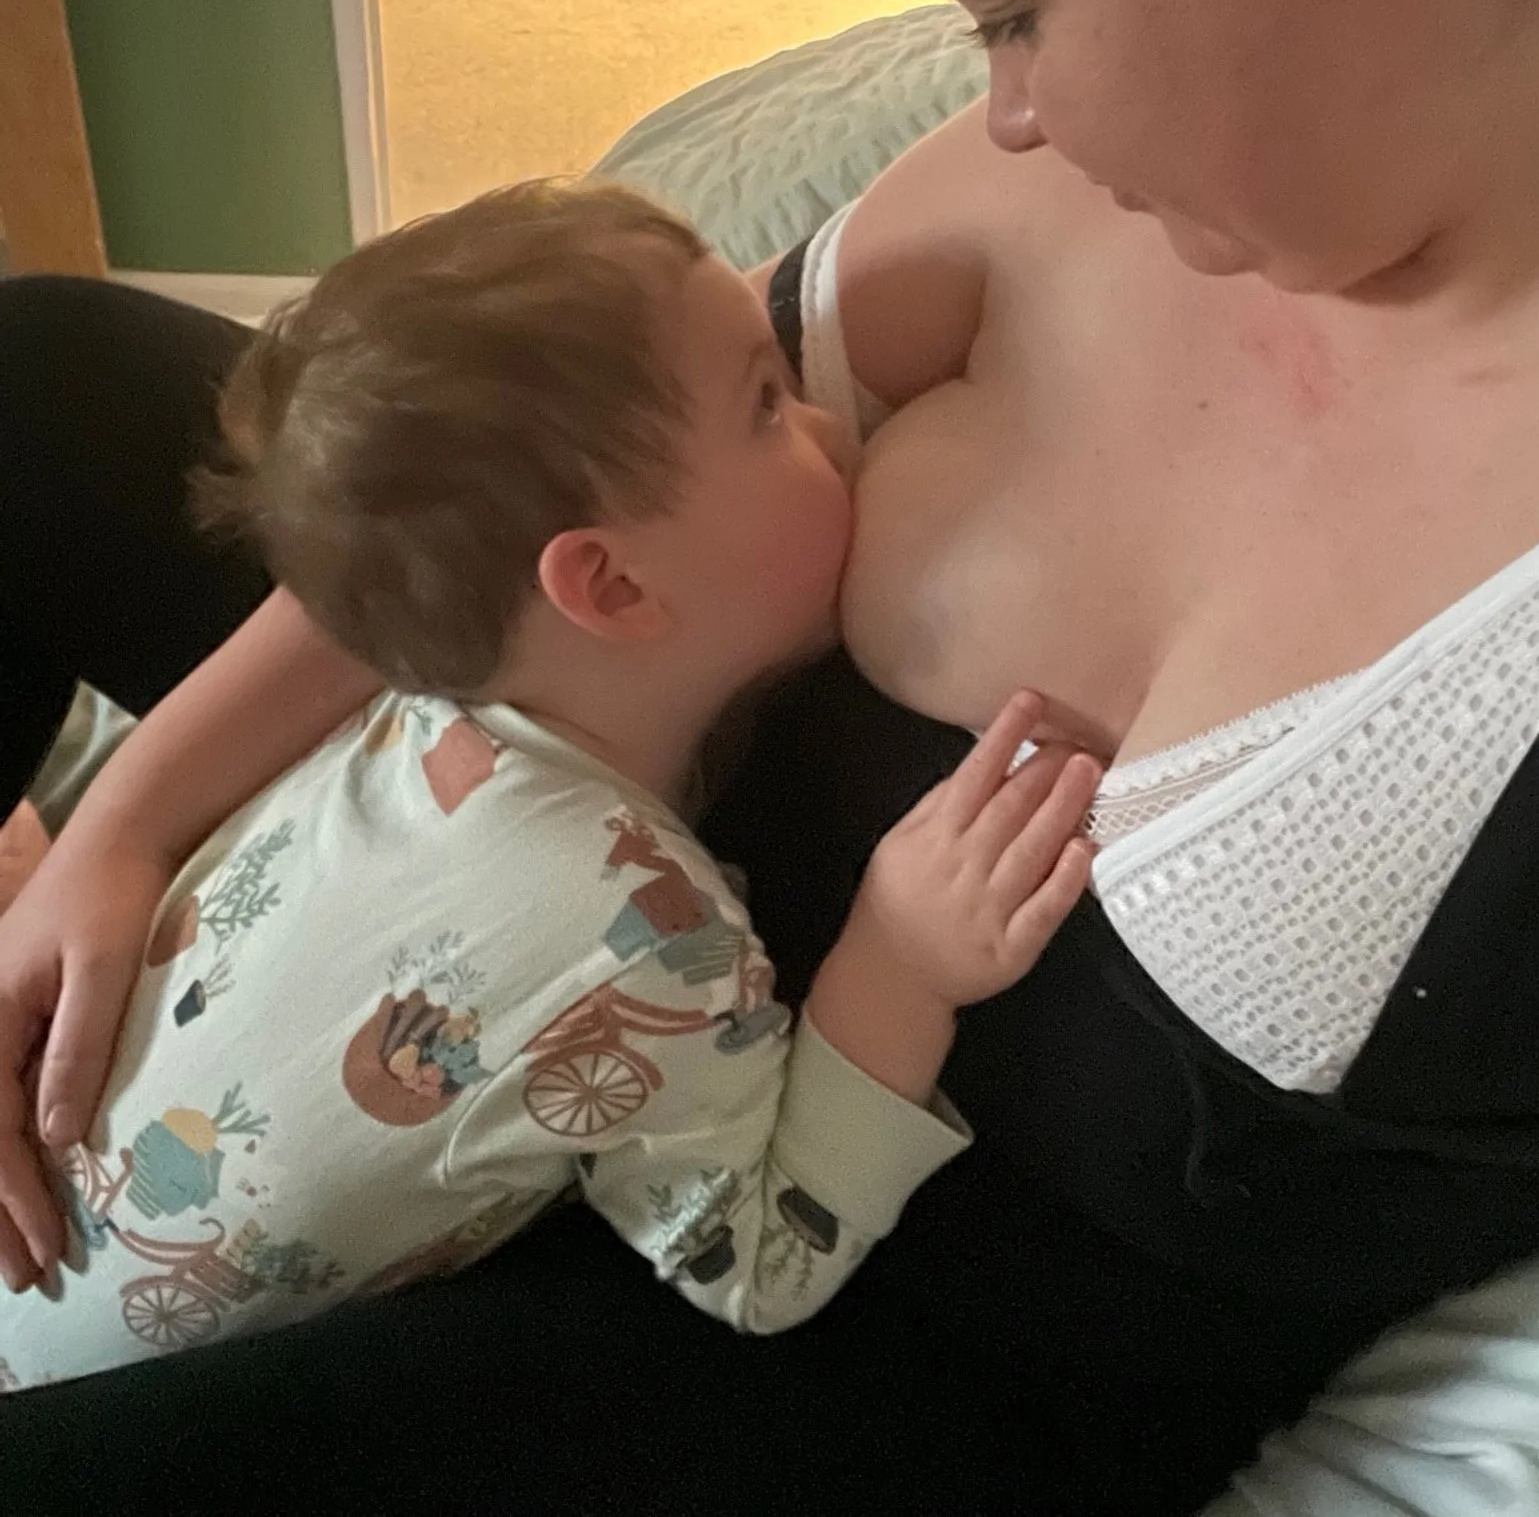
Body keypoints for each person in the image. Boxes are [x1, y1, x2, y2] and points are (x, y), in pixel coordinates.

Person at [2, 0, 1539, 1507]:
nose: (997, 110)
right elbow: (537, 476)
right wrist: (121, 833)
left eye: (1008, 4)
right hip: (578, 824)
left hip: (834, 1310)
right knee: (39, 383)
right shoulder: (1030, 197)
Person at [0, 179, 1095, 1386]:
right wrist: (898, 963)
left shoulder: (395, 716)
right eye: (766, 404)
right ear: (611, 586)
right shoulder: (648, 942)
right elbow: (759, 1260)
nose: (832, 420)